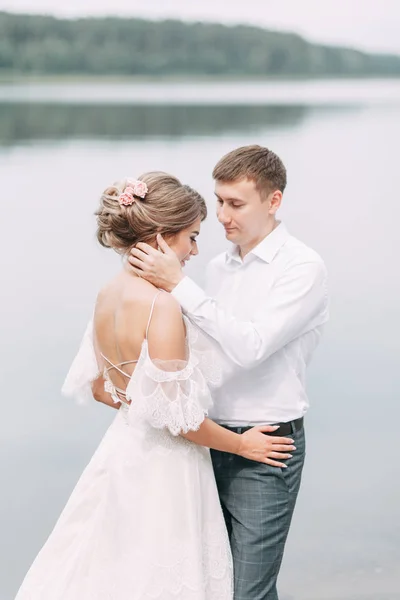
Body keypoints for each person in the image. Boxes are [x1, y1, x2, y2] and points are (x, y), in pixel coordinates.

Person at [14, 171, 295, 600]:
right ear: (163, 238)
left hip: (122, 452)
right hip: (168, 469)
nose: (195, 251)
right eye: (192, 238)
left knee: (111, 568)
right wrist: (242, 446)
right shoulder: (162, 305)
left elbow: (100, 389)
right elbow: (178, 421)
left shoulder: (107, 293)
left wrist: (143, 408)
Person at [128, 147, 329, 600]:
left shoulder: (302, 268)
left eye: (235, 204)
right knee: (209, 584)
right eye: (218, 201)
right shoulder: (215, 268)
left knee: (250, 593)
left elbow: (250, 347)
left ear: (273, 201)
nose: (221, 215)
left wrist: (179, 285)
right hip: (203, 439)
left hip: (265, 445)